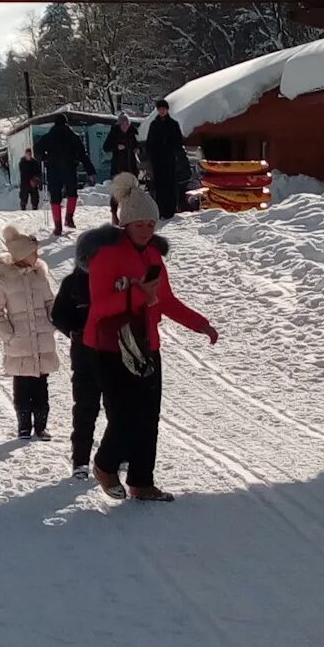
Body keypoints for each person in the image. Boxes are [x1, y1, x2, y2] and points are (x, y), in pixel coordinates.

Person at [85, 184, 219, 501]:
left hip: (146, 344)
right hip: (111, 347)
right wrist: (136, 295)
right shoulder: (106, 255)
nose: (146, 229)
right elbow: (99, 307)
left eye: (150, 223)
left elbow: (166, 300)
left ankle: (142, 482)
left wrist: (200, 324)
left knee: (148, 415)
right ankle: (104, 465)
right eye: (139, 223)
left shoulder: (154, 254)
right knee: (125, 416)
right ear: (125, 223)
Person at [0, 223, 59, 440]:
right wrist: (8, 335)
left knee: (41, 385)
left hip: (42, 340)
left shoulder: (40, 276)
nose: (37, 256)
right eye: (34, 252)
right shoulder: (3, 280)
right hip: (19, 344)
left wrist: (53, 321)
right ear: (22, 255)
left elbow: (50, 301)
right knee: (22, 387)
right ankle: (24, 426)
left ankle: (41, 426)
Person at [50, 225, 112, 478]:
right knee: (85, 410)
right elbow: (58, 315)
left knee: (116, 410)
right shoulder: (73, 282)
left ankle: (111, 458)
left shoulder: (115, 280)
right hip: (84, 358)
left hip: (113, 356)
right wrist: (76, 330)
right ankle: (80, 461)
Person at [38, 113, 93, 237]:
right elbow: (83, 154)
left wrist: (44, 157)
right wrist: (90, 170)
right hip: (69, 168)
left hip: (53, 170)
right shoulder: (73, 136)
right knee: (72, 193)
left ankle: (58, 227)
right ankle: (69, 217)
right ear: (66, 123)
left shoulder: (48, 136)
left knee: (55, 198)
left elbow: (37, 150)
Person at [144, 99, 188, 219]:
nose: (162, 111)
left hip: (169, 160)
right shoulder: (154, 125)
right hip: (157, 161)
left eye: (163, 109)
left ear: (167, 110)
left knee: (170, 185)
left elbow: (178, 142)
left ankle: (170, 210)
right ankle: (159, 210)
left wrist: (173, 151)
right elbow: (149, 143)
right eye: (159, 109)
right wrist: (151, 156)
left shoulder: (173, 124)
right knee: (159, 186)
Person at [103, 111, 142, 180]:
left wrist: (138, 149)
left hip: (131, 169)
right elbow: (105, 147)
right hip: (118, 170)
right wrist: (116, 147)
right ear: (119, 125)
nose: (125, 126)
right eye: (123, 124)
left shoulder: (133, 133)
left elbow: (140, 146)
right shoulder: (114, 133)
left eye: (127, 124)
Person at [17, 147, 42, 211]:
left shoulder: (34, 163)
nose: (29, 155)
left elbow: (38, 172)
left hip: (33, 183)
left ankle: (35, 207)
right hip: (25, 183)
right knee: (23, 197)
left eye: (30, 154)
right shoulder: (22, 163)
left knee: (35, 197)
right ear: (25, 154)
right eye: (28, 154)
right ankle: (23, 208)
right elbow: (24, 172)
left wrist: (36, 179)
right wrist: (30, 179)